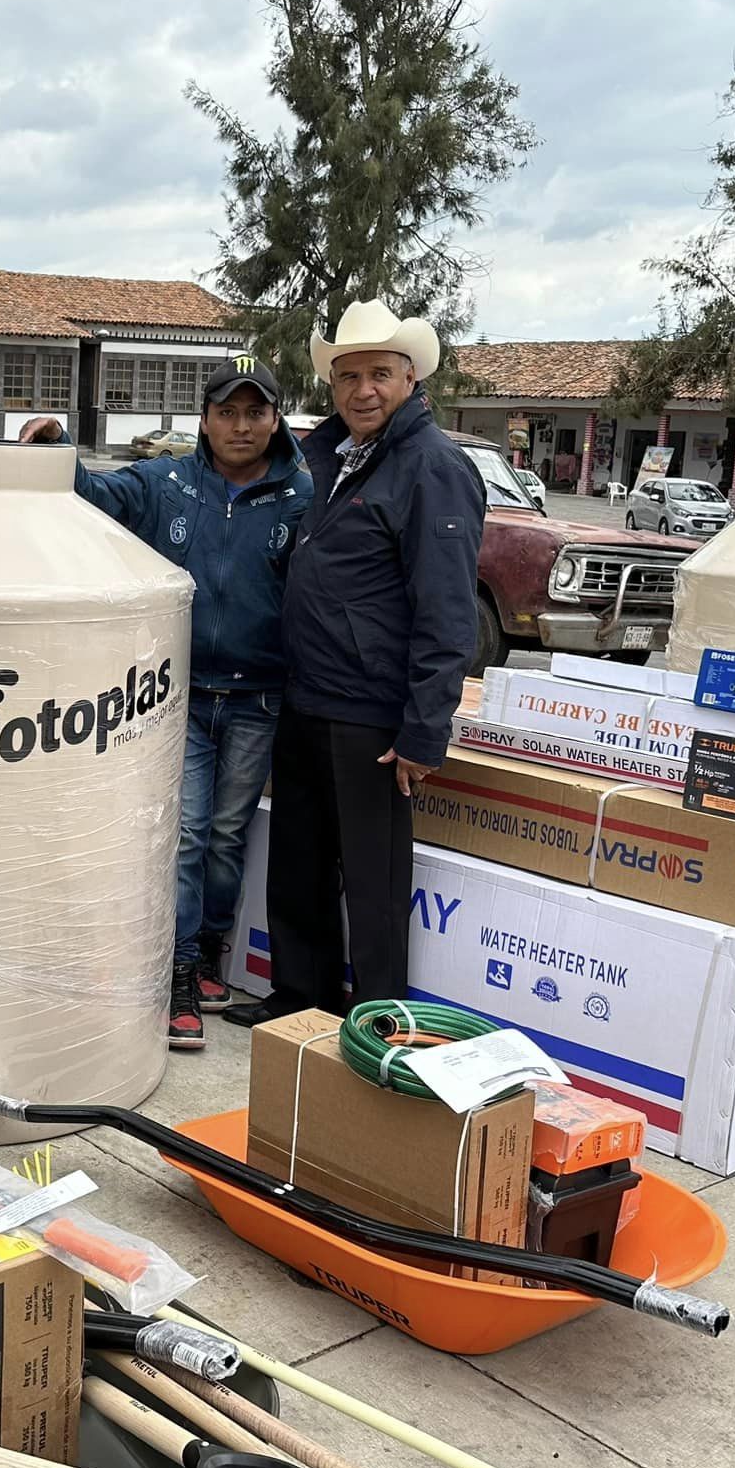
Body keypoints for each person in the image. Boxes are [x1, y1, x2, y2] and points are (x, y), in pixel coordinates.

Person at [17, 356, 312, 1051]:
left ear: (275, 419)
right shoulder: (166, 482)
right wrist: (57, 443)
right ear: (203, 420)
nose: (241, 426)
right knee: (184, 835)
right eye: (227, 413)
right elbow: (93, 493)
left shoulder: (302, 494)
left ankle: (210, 946)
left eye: (255, 413)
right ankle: (177, 971)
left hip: (257, 699)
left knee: (225, 838)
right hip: (177, 694)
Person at [236, 300, 483, 1027]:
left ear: (410, 378)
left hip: (373, 709)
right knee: (300, 860)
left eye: (379, 374)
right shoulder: (326, 454)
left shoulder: (434, 467)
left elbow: (447, 611)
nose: (362, 390)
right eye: (348, 376)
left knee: (373, 877)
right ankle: (299, 998)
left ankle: (377, 1016)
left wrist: (423, 730)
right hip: (307, 694)